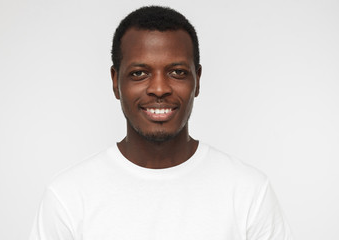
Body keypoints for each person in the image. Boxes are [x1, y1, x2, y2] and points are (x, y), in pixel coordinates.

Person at [30, 6, 292, 240]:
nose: (158, 88)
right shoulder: (68, 197)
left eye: (177, 72)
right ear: (115, 81)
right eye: (139, 73)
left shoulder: (249, 193)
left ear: (197, 80)